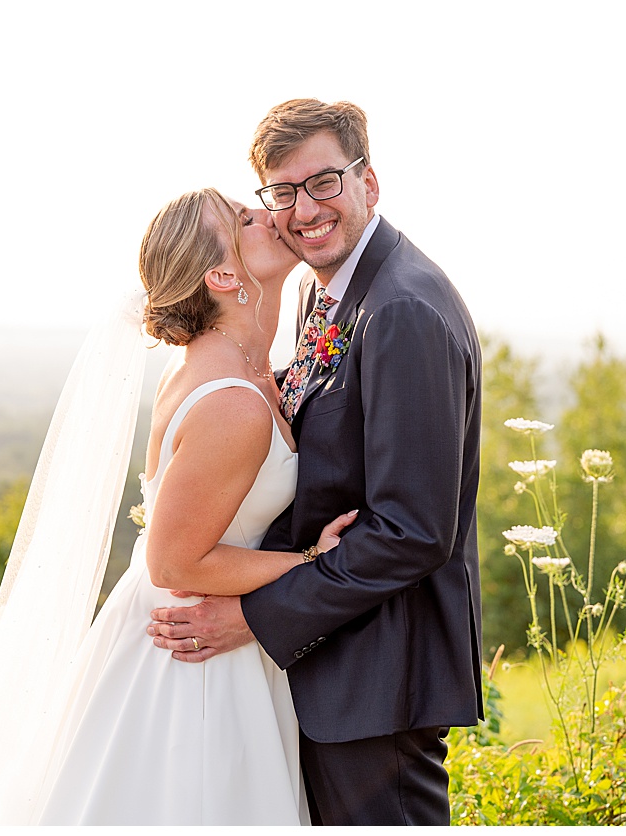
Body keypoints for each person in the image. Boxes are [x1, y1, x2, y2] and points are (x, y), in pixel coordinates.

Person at [0, 188, 354, 825]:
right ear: (223, 276)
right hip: (191, 658)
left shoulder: (245, 373)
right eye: (245, 220)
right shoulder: (231, 401)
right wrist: (311, 563)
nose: (272, 216)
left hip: (211, 632)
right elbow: (175, 561)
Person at [145, 99, 484, 826]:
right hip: (315, 669)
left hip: (377, 678)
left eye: (324, 182)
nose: (302, 211)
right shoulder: (315, 295)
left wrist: (259, 615)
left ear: (369, 182)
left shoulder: (402, 309)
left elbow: (415, 531)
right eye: (282, 194)